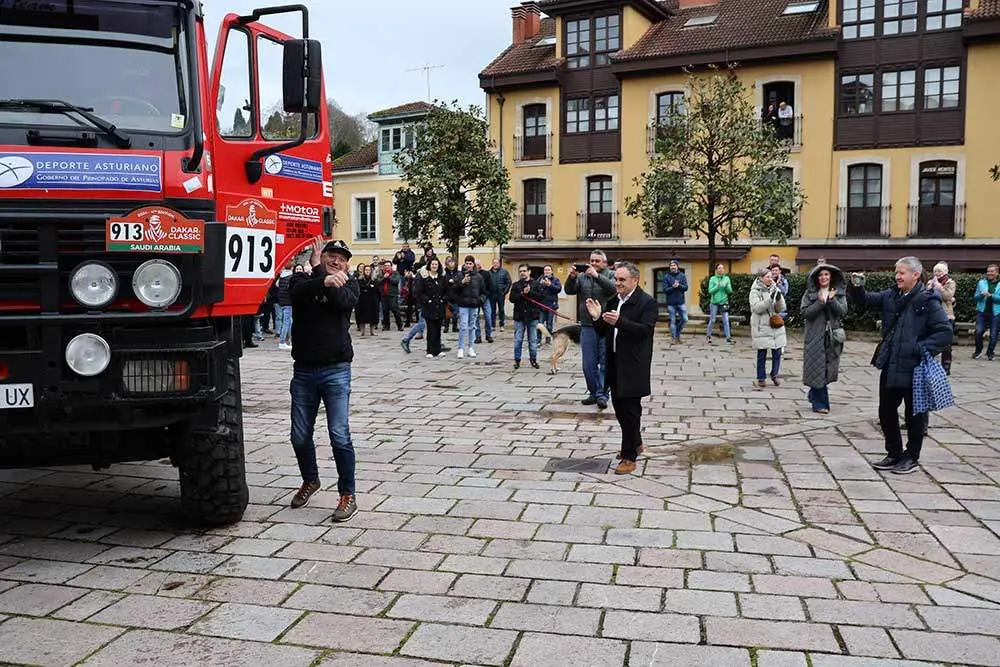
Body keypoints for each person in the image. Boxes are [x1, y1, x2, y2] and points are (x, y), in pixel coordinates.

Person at [848, 257, 952, 475]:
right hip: (891, 363)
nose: (897, 276)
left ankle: (911, 457)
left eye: (902, 272)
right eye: (896, 272)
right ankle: (893, 453)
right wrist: (856, 287)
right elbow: (864, 301)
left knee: (915, 415)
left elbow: (944, 332)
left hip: (915, 368)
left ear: (915, 275)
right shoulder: (891, 296)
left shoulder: (928, 301)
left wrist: (919, 348)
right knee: (885, 411)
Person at [286, 238, 360, 522]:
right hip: (304, 370)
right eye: (330, 255)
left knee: (339, 435)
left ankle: (347, 494)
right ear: (320, 256)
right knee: (299, 436)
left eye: (341, 258)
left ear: (347, 264)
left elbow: (342, 301)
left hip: (336, 370)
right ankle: (310, 480)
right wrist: (321, 277)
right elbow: (294, 294)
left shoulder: (351, 285)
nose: (335, 261)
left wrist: (325, 279)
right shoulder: (302, 279)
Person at [585, 261, 658, 475]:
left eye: (622, 280)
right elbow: (602, 332)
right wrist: (597, 317)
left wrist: (620, 322)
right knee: (618, 408)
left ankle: (629, 457)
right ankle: (635, 442)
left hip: (634, 365)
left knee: (631, 411)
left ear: (634, 280)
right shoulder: (612, 301)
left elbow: (644, 331)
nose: (617, 283)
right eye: (616, 279)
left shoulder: (647, 303)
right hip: (615, 362)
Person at [565, 250, 616, 409]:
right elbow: (569, 290)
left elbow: (613, 290)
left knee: (605, 362)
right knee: (588, 364)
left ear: (605, 263)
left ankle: (602, 395)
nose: (593, 263)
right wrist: (571, 278)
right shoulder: (582, 277)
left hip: (606, 324)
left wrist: (597, 276)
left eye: (597, 261)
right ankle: (594, 393)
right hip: (587, 325)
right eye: (592, 260)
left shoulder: (611, 275)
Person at [800, 264, 848, 413]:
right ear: (816, 278)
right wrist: (820, 303)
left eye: (826, 275)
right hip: (815, 336)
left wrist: (832, 300)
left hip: (832, 337)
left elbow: (842, 312)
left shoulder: (838, 294)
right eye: (820, 275)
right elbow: (805, 313)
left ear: (831, 277)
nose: (823, 277)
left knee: (827, 370)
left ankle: (814, 393)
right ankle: (820, 404)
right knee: (817, 368)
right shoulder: (809, 294)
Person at [749, 267, 786, 387]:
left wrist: (779, 298)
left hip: (774, 324)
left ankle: (774, 374)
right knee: (762, 353)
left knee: (777, 351)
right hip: (761, 325)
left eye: (771, 276)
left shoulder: (775, 288)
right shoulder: (755, 291)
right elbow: (757, 308)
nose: (770, 279)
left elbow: (781, 308)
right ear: (760, 278)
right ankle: (761, 377)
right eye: (767, 277)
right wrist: (770, 299)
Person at [508, 264, 544, 369]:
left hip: (532, 316)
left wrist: (530, 292)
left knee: (533, 340)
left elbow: (541, 297)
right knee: (518, 339)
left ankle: (533, 360)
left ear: (529, 272)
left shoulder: (536, 284)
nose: (522, 273)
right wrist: (522, 293)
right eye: (520, 271)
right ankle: (517, 360)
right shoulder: (515, 285)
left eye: (524, 271)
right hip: (519, 316)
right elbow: (512, 299)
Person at [413, 258, 449, 358]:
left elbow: (447, 290)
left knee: (438, 330)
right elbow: (420, 291)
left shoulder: (442, 277)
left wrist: (443, 300)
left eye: (436, 264)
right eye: (432, 264)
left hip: (439, 306)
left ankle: (438, 350)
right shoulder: (425, 277)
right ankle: (430, 350)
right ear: (429, 265)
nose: (434, 266)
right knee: (431, 330)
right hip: (429, 307)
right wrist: (427, 300)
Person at [927, 262, 956, 374]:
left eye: (939, 271)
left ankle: (946, 366)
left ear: (945, 272)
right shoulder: (931, 282)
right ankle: (929, 365)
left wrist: (939, 288)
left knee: (946, 343)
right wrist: (929, 288)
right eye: (935, 271)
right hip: (932, 315)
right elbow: (926, 295)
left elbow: (948, 296)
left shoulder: (950, 282)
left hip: (946, 315)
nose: (937, 273)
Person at [454, 255, 485, 359]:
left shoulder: (478, 277)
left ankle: (471, 348)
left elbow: (484, 291)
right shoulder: (459, 275)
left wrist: (480, 300)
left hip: (474, 304)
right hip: (463, 304)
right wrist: (462, 283)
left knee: (472, 327)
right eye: (466, 263)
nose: (468, 265)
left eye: (470, 263)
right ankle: (460, 348)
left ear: (473, 265)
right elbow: (454, 288)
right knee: (463, 327)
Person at [973, 263, 1000, 361]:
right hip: (982, 311)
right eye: (988, 271)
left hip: (996, 313)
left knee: (993, 335)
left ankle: (990, 353)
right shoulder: (982, 282)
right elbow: (975, 297)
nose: (989, 273)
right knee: (978, 332)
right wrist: (981, 295)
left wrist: (991, 296)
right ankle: (978, 351)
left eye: (992, 271)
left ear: (997, 273)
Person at [661, 260, 688, 342]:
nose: (673, 267)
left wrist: (679, 285)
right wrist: (673, 287)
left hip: (681, 302)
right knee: (672, 321)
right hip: (671, 303)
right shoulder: (666, 277)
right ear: (670, 267)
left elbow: (686, 288)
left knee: (685, 319)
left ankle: (677, 334)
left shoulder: (682, 276)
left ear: (677, 266)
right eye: (671, 265)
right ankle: (674, 338)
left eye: (674, 265)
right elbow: (665, 290)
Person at [706, 263, 734, 344]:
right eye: (719, 268)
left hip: (724, 302)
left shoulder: (726, 278)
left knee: (726, 320)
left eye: (722, 268)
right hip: (714, 302)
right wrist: (717, 286)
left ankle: (728, 337)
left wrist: (726, 286)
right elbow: (710, 291)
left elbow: (730, 291)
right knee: (713, 320)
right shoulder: (712, 279)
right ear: (716, 270)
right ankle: (708, 335)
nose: (721, 270)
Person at [536, 264, 562, 346]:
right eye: (545, 270)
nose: (547, 271)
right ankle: (538, 340)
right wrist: (541, 285)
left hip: (551, 306)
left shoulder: (555, 280)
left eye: (548, 270)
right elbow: (535, 289)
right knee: (540, 324)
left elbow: (558, 289)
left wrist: (550, 285)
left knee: (549, 325)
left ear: (551, 271)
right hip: (541, 306)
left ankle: (548, 340)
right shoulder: (540, 279)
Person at [354, 264, 380, 336]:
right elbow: (360, 287)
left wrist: (367, 288)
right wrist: (368, 287)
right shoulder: (360, 279)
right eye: (366, 270)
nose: (367, 271)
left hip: (372, 299)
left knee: (373, 316)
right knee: (362, 316)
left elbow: (375, 288)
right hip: (362, 300)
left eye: (369, 270)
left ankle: (372, 331)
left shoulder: (374, 279)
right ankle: (362, 332)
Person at [489, 258, 512, 331]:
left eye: (497, 263)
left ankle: (501, 325)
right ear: (492, 264)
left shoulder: (504, 272)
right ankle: (492, 325)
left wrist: (504, 292)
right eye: (494, 263)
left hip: (500, 294)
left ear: (499, 264)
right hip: (491, 294)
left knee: (501, 310)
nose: (495, 264)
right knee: (492, 310)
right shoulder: (489, 272)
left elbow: (509, 282)